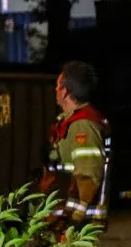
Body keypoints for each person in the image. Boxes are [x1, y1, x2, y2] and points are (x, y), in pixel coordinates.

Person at [36, 60, 111, 236]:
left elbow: (88, 176)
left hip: (74, 227)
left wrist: (72, 221)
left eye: (57, 86)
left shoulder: (83, 126)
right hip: (64, 221)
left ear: (65, 91)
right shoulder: (71, 122)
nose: (55, 90)